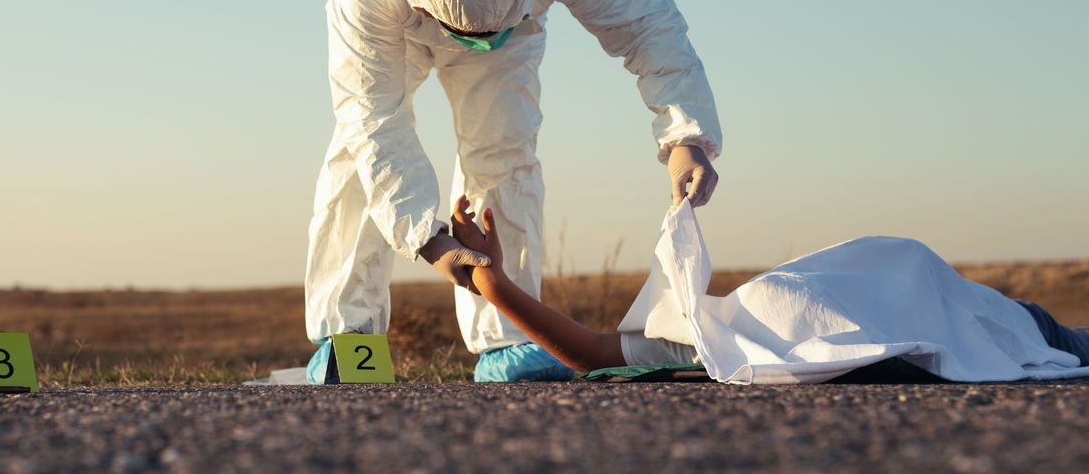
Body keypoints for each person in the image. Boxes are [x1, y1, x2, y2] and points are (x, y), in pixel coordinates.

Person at [305, 0, 722, 383]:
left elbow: (647, 26)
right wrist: (428, 239)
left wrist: (686, 133)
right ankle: (351, 339)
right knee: (359, 155)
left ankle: (506, 337)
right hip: (394, 19)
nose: (472, 48)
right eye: (465, 37)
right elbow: (373, 118)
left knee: (504, 150)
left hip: (514, 22)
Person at [451, 195, 1089, 383]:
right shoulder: (701, 341)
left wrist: (495, 286)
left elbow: (591, 352)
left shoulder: (708, 331)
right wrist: (494, 286)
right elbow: (589, 353)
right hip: (1001, 324)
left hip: (981, 310)